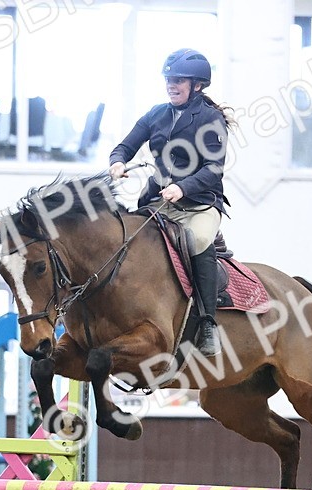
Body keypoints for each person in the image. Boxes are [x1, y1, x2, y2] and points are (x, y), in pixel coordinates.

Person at [109, 48, 232, 357]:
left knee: (198, 241)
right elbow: (126, 145)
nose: (171, 85)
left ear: (198, 85)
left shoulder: (210, 118)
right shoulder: (156, 113)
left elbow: (213, 169)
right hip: (158, 200)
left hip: (200, 203)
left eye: (178, 80)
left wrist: (183, 187)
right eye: (168, 80)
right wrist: (118, 162)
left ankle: (207, 323)